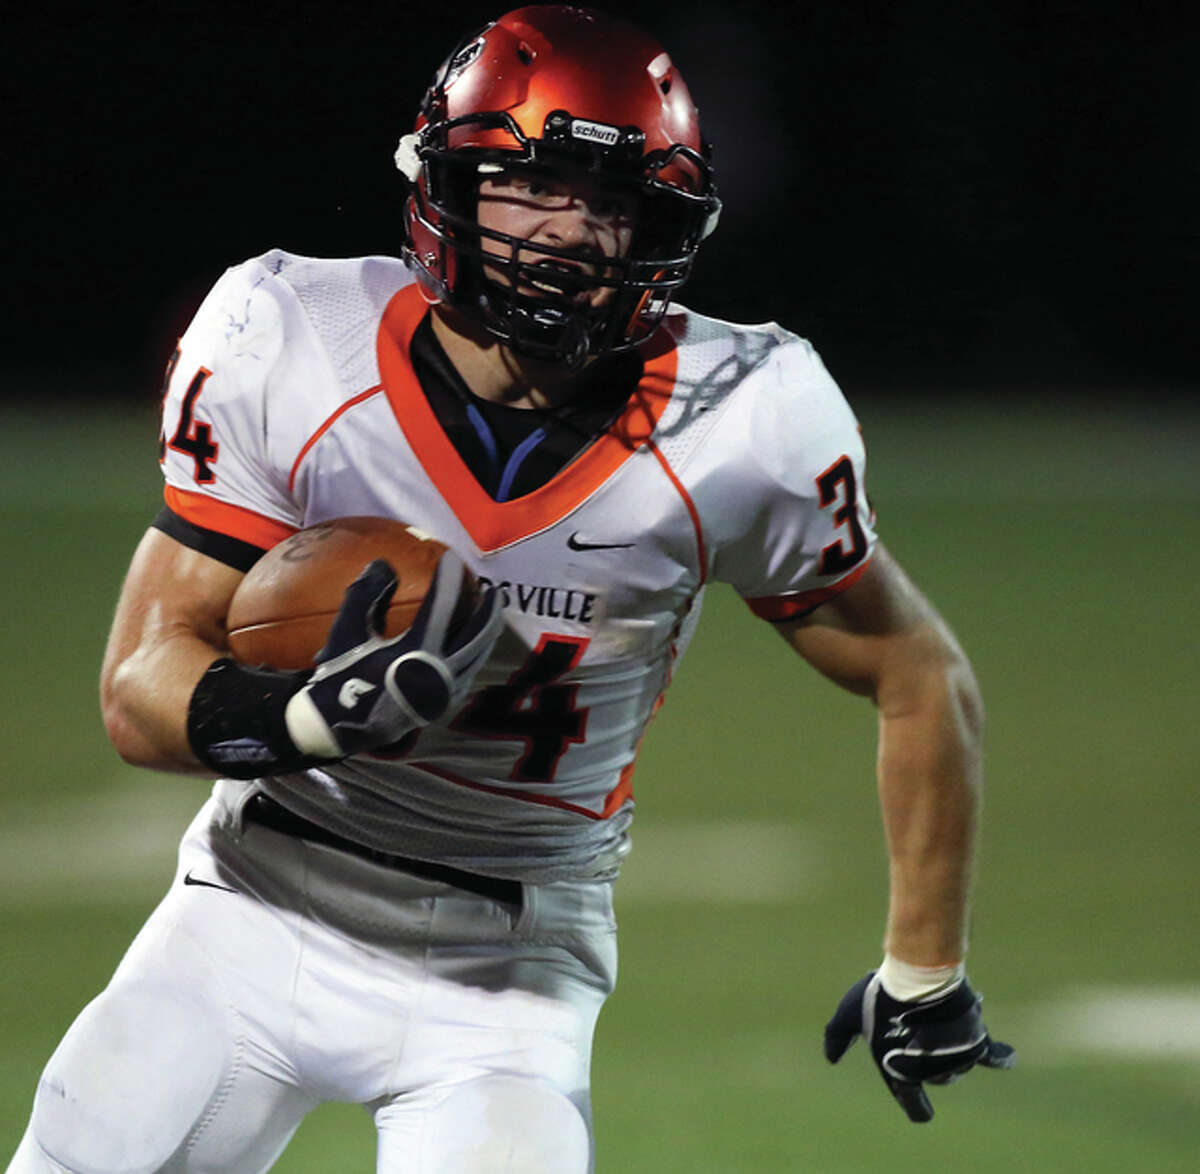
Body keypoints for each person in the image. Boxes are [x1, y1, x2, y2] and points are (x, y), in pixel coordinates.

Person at [8, 5, 1013, 1171]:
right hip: (254, 901)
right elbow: (141, 684)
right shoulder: (290, 336)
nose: (575, 235)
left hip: (508, 975)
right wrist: (298, 717)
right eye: (535, 186)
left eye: (614, 204)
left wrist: (924, 966)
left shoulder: (746, 417)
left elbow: (916, 671)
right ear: (449, 183)